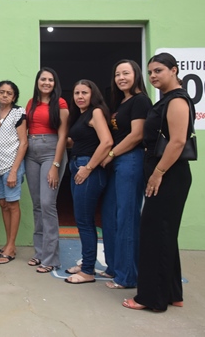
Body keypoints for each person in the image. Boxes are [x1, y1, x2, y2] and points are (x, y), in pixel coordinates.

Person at [123, 53, 194, 312]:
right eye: (151, 71)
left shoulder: (176, 100)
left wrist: (158, 172)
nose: (153, 75)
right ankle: (173, 293)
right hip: (164, 174)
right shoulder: (166, 99)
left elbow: (177, 142)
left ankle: (150, 298)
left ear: (174, 70)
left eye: (159, 70)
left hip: (168, 175)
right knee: (164, 234)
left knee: (154, 234)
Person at [100, 60, 151, 289]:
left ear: (136, 74)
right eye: (117, 74)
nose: (121, 78)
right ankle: (114, 267)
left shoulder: (140, 101)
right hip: (118, 163)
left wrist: (111, 153)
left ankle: (127, 276)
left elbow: (136, 135)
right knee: (110, 215)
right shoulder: (122, 102)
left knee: (127, 219)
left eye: (126, 73)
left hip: (130, 161)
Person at [64, 80, 113, 284]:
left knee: (84, 221)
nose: (80, 96)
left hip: (88, 169)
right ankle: (87, 261)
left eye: (84, 92)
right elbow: (80, 141)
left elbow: (107, 142)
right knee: (82, 220)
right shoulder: (81, 115)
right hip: (78, 165)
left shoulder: (96, 112)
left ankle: (87, 271)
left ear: (93, 94)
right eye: (77, 93)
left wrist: (88, 168)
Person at [25, 67, 68, 274]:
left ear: (55, 83)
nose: (46, 83)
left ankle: (51, 258)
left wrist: (56, 165)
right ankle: (40, 252)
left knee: (47, 203)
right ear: (37, 82)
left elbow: (63, 135)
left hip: (51, 151)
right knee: (36, 205)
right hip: (31, 153)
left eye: (51, 80)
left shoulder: (60, 103)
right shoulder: (31, 103)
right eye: (43, 79)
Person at [0, 80, 28, 265]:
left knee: (12, 205)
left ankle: (12, 246)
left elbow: (24, 142)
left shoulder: (18, 113)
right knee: (3, 204)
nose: (5, 95)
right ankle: (7, 244)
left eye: (9, 93)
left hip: (12, 166)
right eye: (1, 92)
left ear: (14, 97)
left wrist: (14, 171)